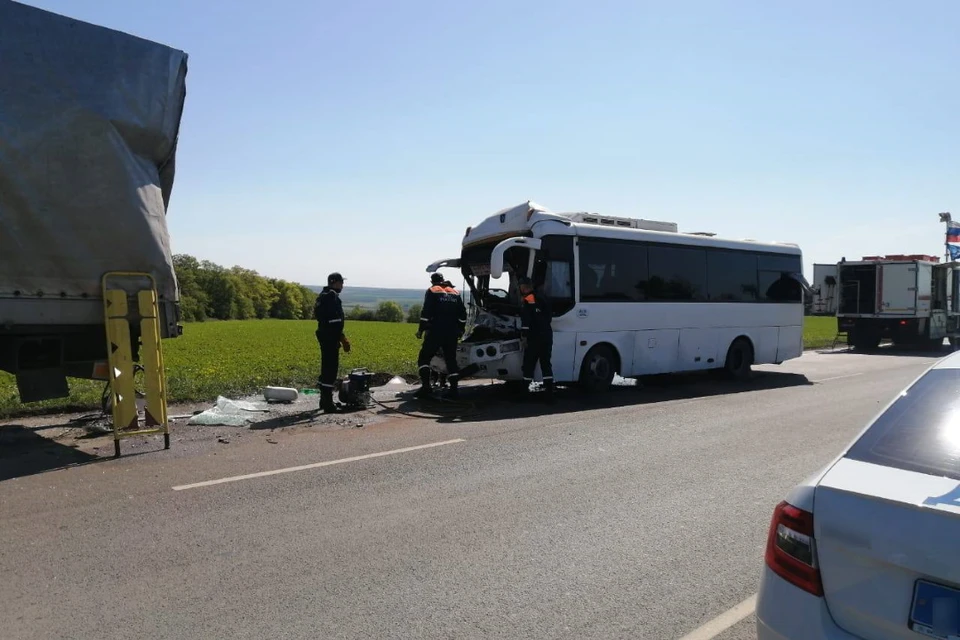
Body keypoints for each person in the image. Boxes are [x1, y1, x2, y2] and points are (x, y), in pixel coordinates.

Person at [415, 273, 466, 398]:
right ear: (443, 280)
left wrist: (421, 330)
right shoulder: (455, 292)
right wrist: (460, 329)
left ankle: (426, 387)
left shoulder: (432, 291)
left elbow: (425, 313)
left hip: (436, 332)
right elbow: (463, 315)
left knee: (424, 358)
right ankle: (454, 390)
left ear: (432, 281)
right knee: (451, 360)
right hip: (452, 333)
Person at [314, 272, 351, 412]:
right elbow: (334, 321)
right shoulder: (331, 296)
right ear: (334, 282)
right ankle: (328, 404)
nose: (342, 285)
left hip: (325, 335)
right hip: (330, 337)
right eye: (341, 282)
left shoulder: (323, 295)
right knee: (330, 369)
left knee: (326, 368)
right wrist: (341, 337)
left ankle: (324, 401)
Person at [519, 277, 554, 402]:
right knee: (546, 365)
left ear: (524, 287)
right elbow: (549, 317)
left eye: (521, 286)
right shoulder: (543, 297)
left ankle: (523, 394)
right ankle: (549, 394)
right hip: (547, 336)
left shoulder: (527, 300)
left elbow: (526, 322)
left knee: (529, 365)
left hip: (534, 338)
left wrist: (524, 336)